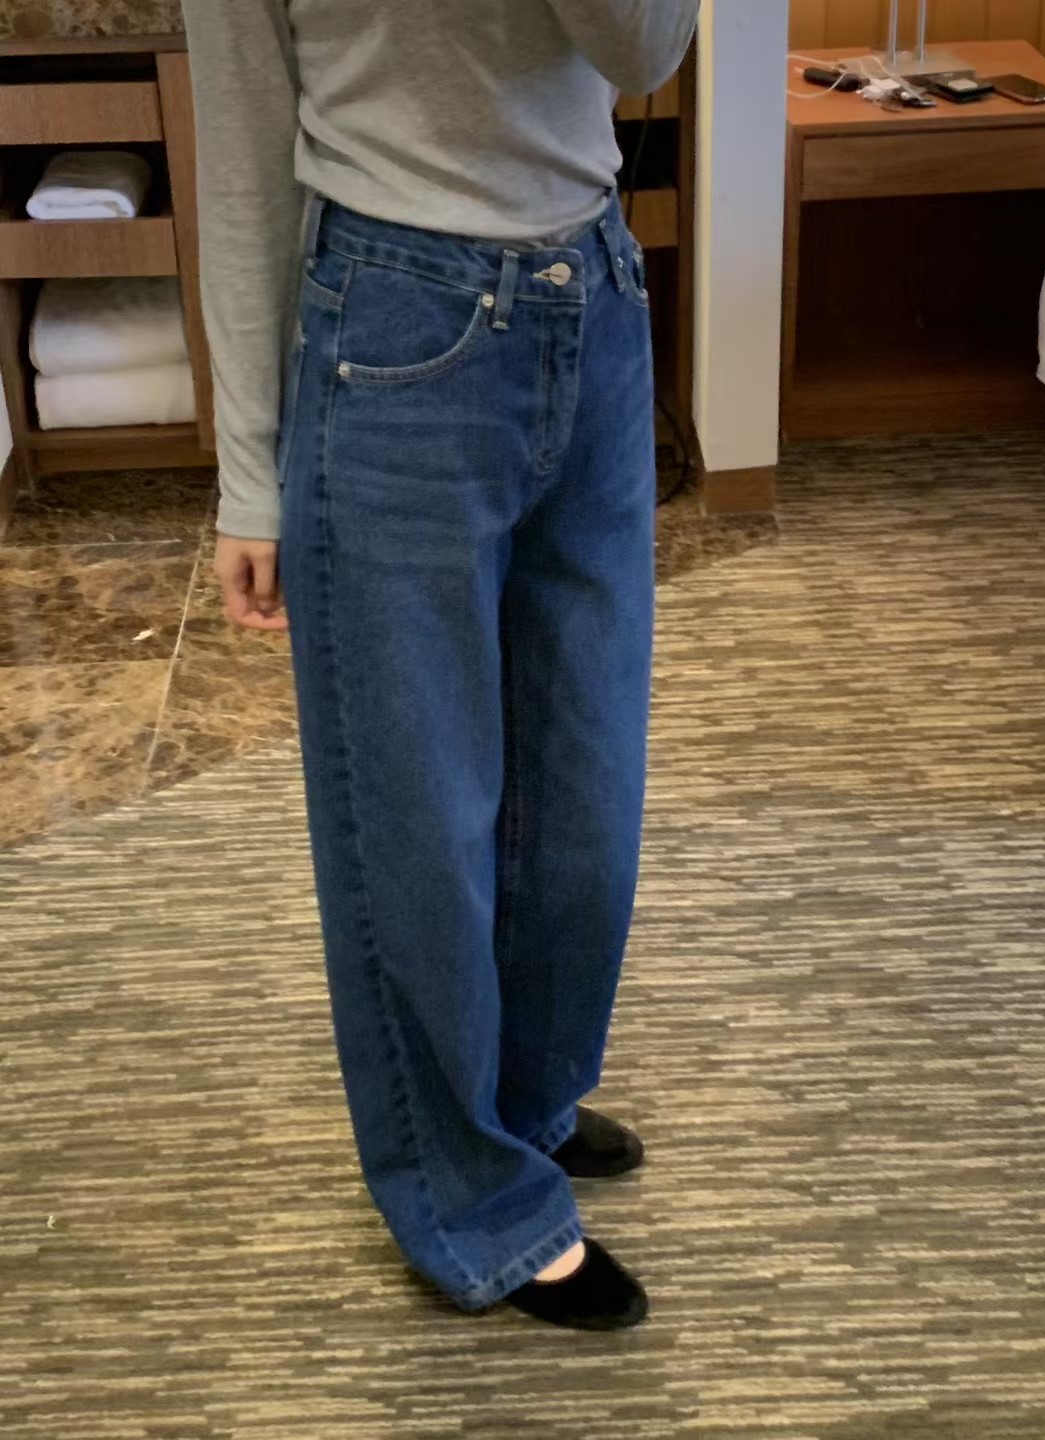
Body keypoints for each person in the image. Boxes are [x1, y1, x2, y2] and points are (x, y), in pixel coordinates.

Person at [182, 0, 699, 1331]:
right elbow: (242, 148)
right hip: (393, 318)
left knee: (584, 791)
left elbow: (646, 51)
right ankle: (471, 1198)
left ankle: (521, 1103)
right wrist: (251, 475)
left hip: (595, 290)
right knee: (414, 810)